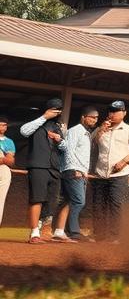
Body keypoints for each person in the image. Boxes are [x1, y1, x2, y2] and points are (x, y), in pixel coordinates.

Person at [89, 100, 129, 244]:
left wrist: (124, 161)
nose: (112, 114)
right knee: (98, 204)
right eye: (111, 111)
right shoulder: (102, 128)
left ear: (124, 113)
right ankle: (98, 234)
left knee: (115, 204)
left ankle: (114, 236)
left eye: (116, 111)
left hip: (119, 174)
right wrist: (100, 130)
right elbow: (90, 143)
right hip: (100, 172)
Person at [20, 98, 66, 243]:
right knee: (37, 198)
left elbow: (65, 148)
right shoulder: (36, 124)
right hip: (38, 165)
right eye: (54, 109)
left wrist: (60, 140)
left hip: (55, 168)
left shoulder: (58, 128)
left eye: (58, 110)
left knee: (51, 202)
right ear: (47, 109)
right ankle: (34, 233)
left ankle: (43, 231)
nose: (56, 112)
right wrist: (44, 117)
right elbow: (24, 131)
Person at [53, 105, 98, 242]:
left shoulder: (86, 133)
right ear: (83, 117)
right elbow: (69, 150)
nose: (95, 120)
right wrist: (76, 169)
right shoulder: (75, 130)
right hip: (73, 171)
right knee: (79, 201)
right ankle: (74, 232)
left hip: (80, 172)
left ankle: (60, 231)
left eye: (96, 118)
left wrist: (84, 171)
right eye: (92, 117)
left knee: (69, 201)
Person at [0, 117, 15, 230]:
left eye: (4, 125)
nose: (2, 127)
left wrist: (3, 159)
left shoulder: (9, 141)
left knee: (0, 201)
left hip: (3, 170)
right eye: (0, 124)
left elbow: (10, 161)